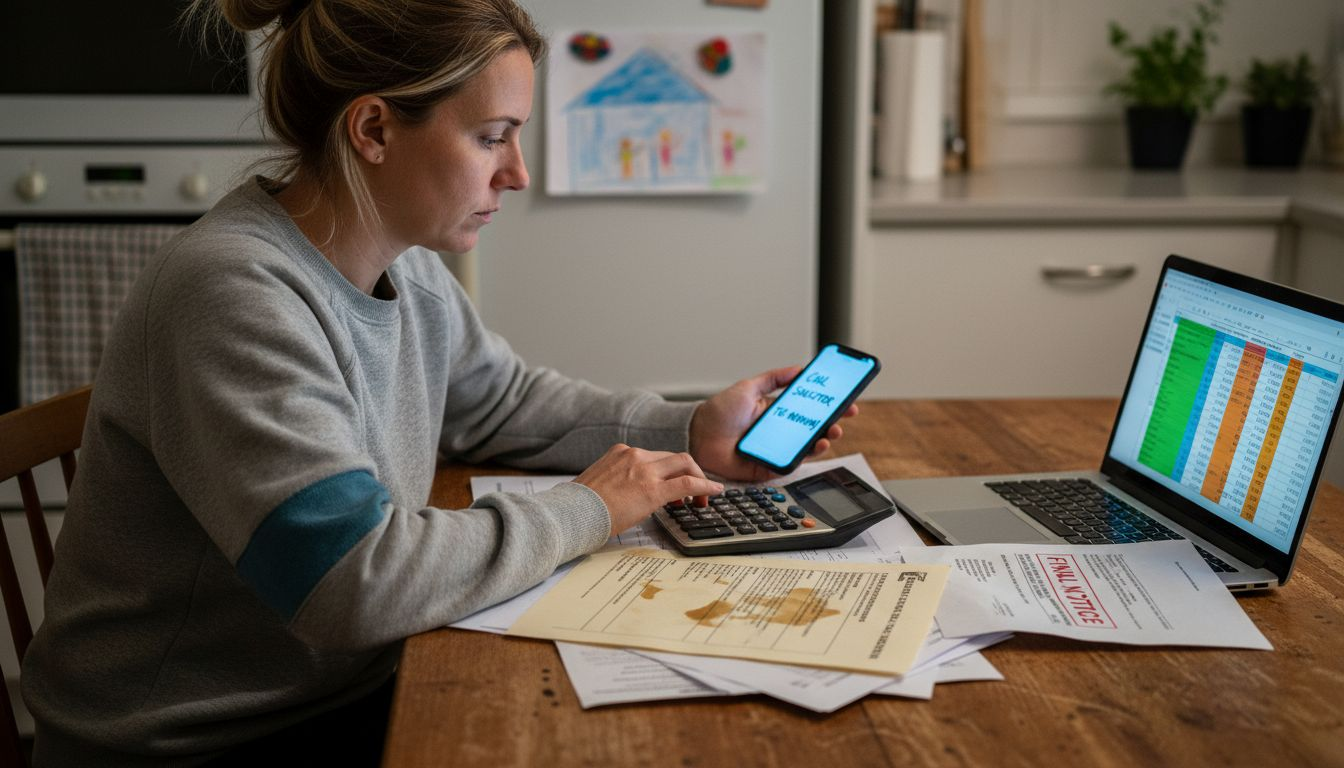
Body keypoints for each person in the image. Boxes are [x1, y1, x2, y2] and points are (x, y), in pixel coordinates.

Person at [19, 0, 855, 765]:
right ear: (374, 129)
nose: (518, 173)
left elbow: (507, 404)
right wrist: (590, 507)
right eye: (493, 136)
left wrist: (690, 432)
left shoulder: (404, 268)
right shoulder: (232, 292)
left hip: (343, 689)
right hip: (196, 739)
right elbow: (349, 580)